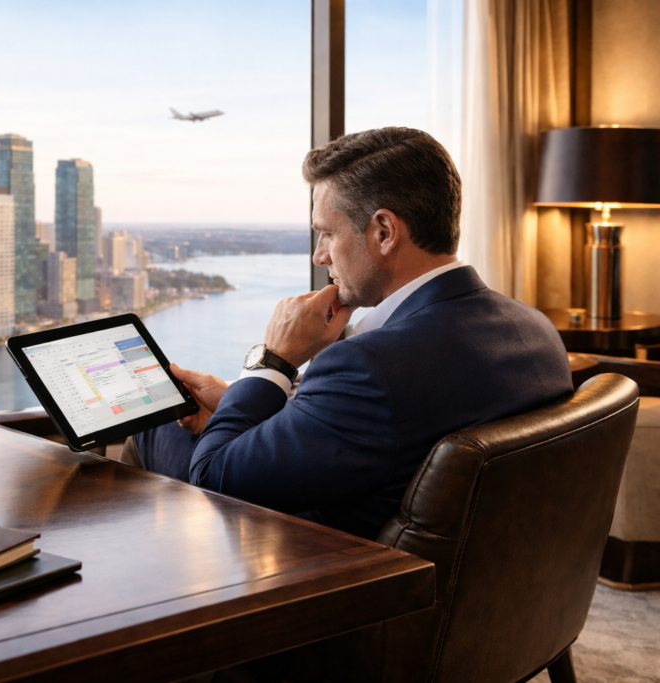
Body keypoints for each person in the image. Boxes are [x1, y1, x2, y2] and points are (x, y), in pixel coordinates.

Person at [121, 127, 573, 541]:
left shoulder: (369, 366)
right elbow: (365, 431)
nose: (320, 256)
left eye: (326, 234)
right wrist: (243, 404)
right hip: (485, 594)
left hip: (330, 571)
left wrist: (274, 361)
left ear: (383, 231)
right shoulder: (535, 331)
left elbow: (213, 477)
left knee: (155, 424)